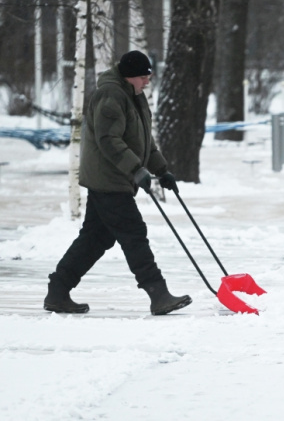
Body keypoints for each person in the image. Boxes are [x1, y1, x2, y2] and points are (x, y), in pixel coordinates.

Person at [43, 50, 192, 316]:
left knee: (95, 238)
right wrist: (136, 169)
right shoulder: (110, 95)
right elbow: (109, 140)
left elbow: (144, 139)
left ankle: (58, 291)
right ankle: (158, 294)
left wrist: (161, 170)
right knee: (134, 234)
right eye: (144, 77)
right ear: (130, 76)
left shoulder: (133, 95)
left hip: (114, 177)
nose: (147, 81)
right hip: (108, 179)